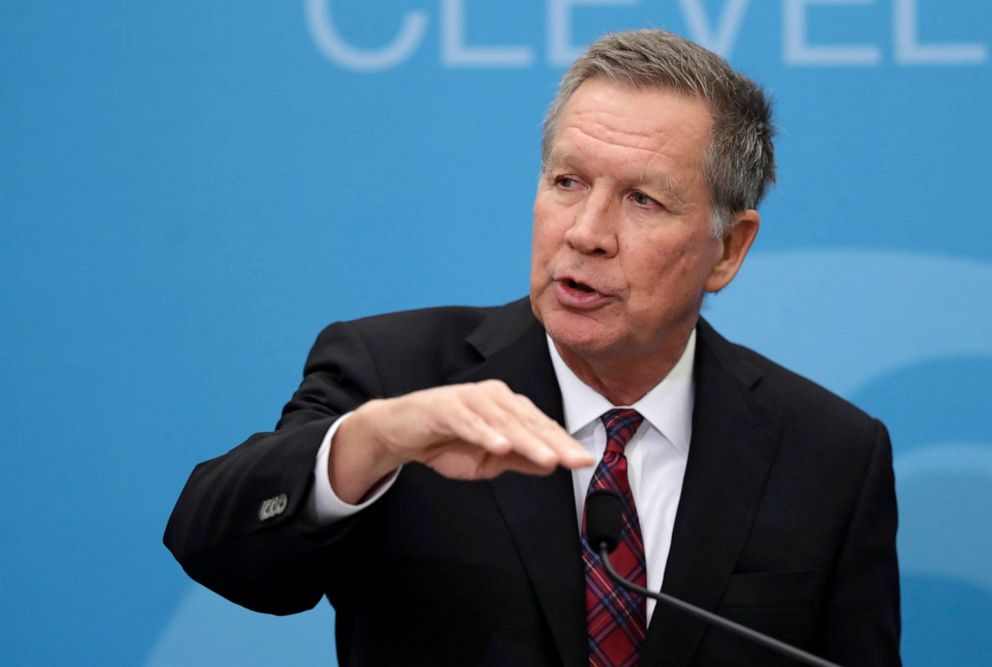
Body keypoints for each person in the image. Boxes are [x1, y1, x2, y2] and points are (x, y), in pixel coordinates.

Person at [165, 29, 900, 666]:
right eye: (568, 182)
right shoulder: (397, 377)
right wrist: (372, 440)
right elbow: (213, 544)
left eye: (643, 200)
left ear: (728, 250)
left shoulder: (830, 455)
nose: (586, 232)